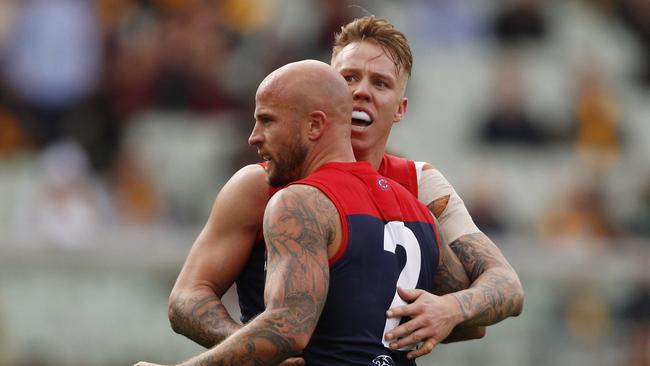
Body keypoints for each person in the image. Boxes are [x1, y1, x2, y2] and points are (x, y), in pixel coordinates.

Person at [167, 15, 524, 362]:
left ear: (400, 109)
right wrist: (255, 348)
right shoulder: (260, 184)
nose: (361, 92)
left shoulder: (419, 185)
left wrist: (450, 308)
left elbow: (502, 288)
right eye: (349, 77)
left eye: (380, 83)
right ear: (327, 90)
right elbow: (187, 297)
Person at [136, 59, 475, 366]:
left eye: (267, 121)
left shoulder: (298, 201)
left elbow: (286, 331)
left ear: (315, 126)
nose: (254, 137)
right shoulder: (418, 211)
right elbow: (470, 321)